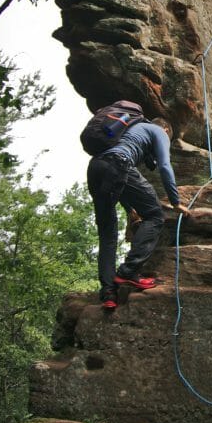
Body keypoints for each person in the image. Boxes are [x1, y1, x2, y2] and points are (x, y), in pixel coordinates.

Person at [87, 115, 190, 310]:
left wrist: (130, 209)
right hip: (119, 163)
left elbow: (119, 184)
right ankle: (128, 271)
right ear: (166, 130)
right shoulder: (159, 130)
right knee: (154, 215)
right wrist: (175, 202)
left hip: (95, 167)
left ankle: (108, 293)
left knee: (107, 234)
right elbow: (165, 166)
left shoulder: (127, 130)